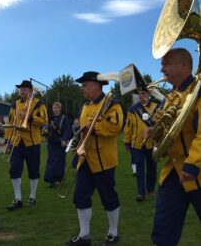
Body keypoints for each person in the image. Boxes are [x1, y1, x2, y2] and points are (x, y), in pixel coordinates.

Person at [150, 48, 201, 246]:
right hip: (172, 173)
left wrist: (193, 164)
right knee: (163, 230)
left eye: (166, 63)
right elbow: (162, 134)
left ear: (184, 65)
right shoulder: (170, 97)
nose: (162, 68)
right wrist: (153, 133)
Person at [64, 71, 124, 246]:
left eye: (84, 85)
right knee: (80, 197)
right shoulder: (84, 106)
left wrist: (93, 126)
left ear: (96, 85)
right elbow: (83, 130)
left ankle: (113, 232)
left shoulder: (113, 104)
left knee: (108, 197)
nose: (82, 88)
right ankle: (84, 236)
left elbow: (116, 126)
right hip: (85, 160)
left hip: (104, 161)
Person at [6, 80, 48, 210]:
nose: (21, 91)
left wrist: (29, 118)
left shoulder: (38, 104)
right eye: (20, 89)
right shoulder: (14, 105)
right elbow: (10, 123)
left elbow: (44, 121)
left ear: (30, 91)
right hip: (17, 142)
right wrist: (7, 142)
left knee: (33, 170)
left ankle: (32, 196)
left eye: (24, 89)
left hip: (32, 142)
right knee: (14, 170)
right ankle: (18, 198)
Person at [123, 89, 158, 202]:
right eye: (140, 93)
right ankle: (140, 193)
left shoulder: (156, 107)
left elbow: (159, 124)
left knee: (152, 168)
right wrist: (126, 141)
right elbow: (128, 127)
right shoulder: (133, 109)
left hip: (152, 143)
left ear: (149, 94)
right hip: (137, 144)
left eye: (144, 93)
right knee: (139, 169)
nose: (141, 95)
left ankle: (151, 190)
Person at [44, 101, 71, 187]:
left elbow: (67, 129)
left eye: (56, 107)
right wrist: (45, 132)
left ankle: (60, 179)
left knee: (60, 162)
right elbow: (47, 128)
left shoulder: (64, 118)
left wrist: (64, 139)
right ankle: (51, 181)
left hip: (61, 144)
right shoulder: (50, 118)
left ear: (60, 108)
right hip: (52, 143)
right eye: (53, 107)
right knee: (51, 162)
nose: (54, 109)